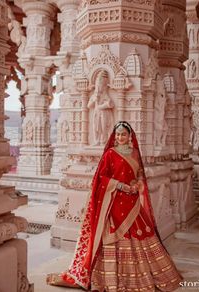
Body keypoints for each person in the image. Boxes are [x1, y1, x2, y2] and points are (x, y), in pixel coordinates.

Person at [46, 121, 182, 291]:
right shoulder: (110, 154)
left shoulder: (134, 153)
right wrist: (120, 186)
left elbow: (140, 173)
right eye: (117, 134)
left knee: (140, 232)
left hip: (132, 202)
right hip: (114, 202)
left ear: (129, 136)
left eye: (123, 134)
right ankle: (108, 277)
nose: (120, 137)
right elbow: (101, 178)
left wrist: (138, 183)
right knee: (112, 235)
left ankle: (142, 276)